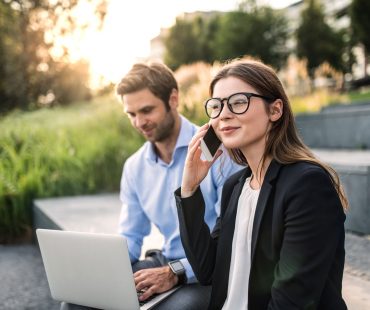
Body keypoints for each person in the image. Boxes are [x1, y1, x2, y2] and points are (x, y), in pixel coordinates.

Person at [61, 62, 240, 310]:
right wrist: (100, 269)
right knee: (77, 304)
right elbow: (131, 236)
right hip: (163, 259)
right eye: (131, 114)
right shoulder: (135, 167)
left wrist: (177, 271)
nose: (139, 122)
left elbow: (232, 239)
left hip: (207, 268)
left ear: (173, 99)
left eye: (146, 110)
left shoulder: (218, 152)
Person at [175, 58, 348, 309]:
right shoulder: (235, 186)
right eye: (216, 106)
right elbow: (207, 270)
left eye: (238, 102)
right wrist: (189, 189)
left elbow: (291, 301)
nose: (223, 114)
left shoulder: (307, 185)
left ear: (275, 110)